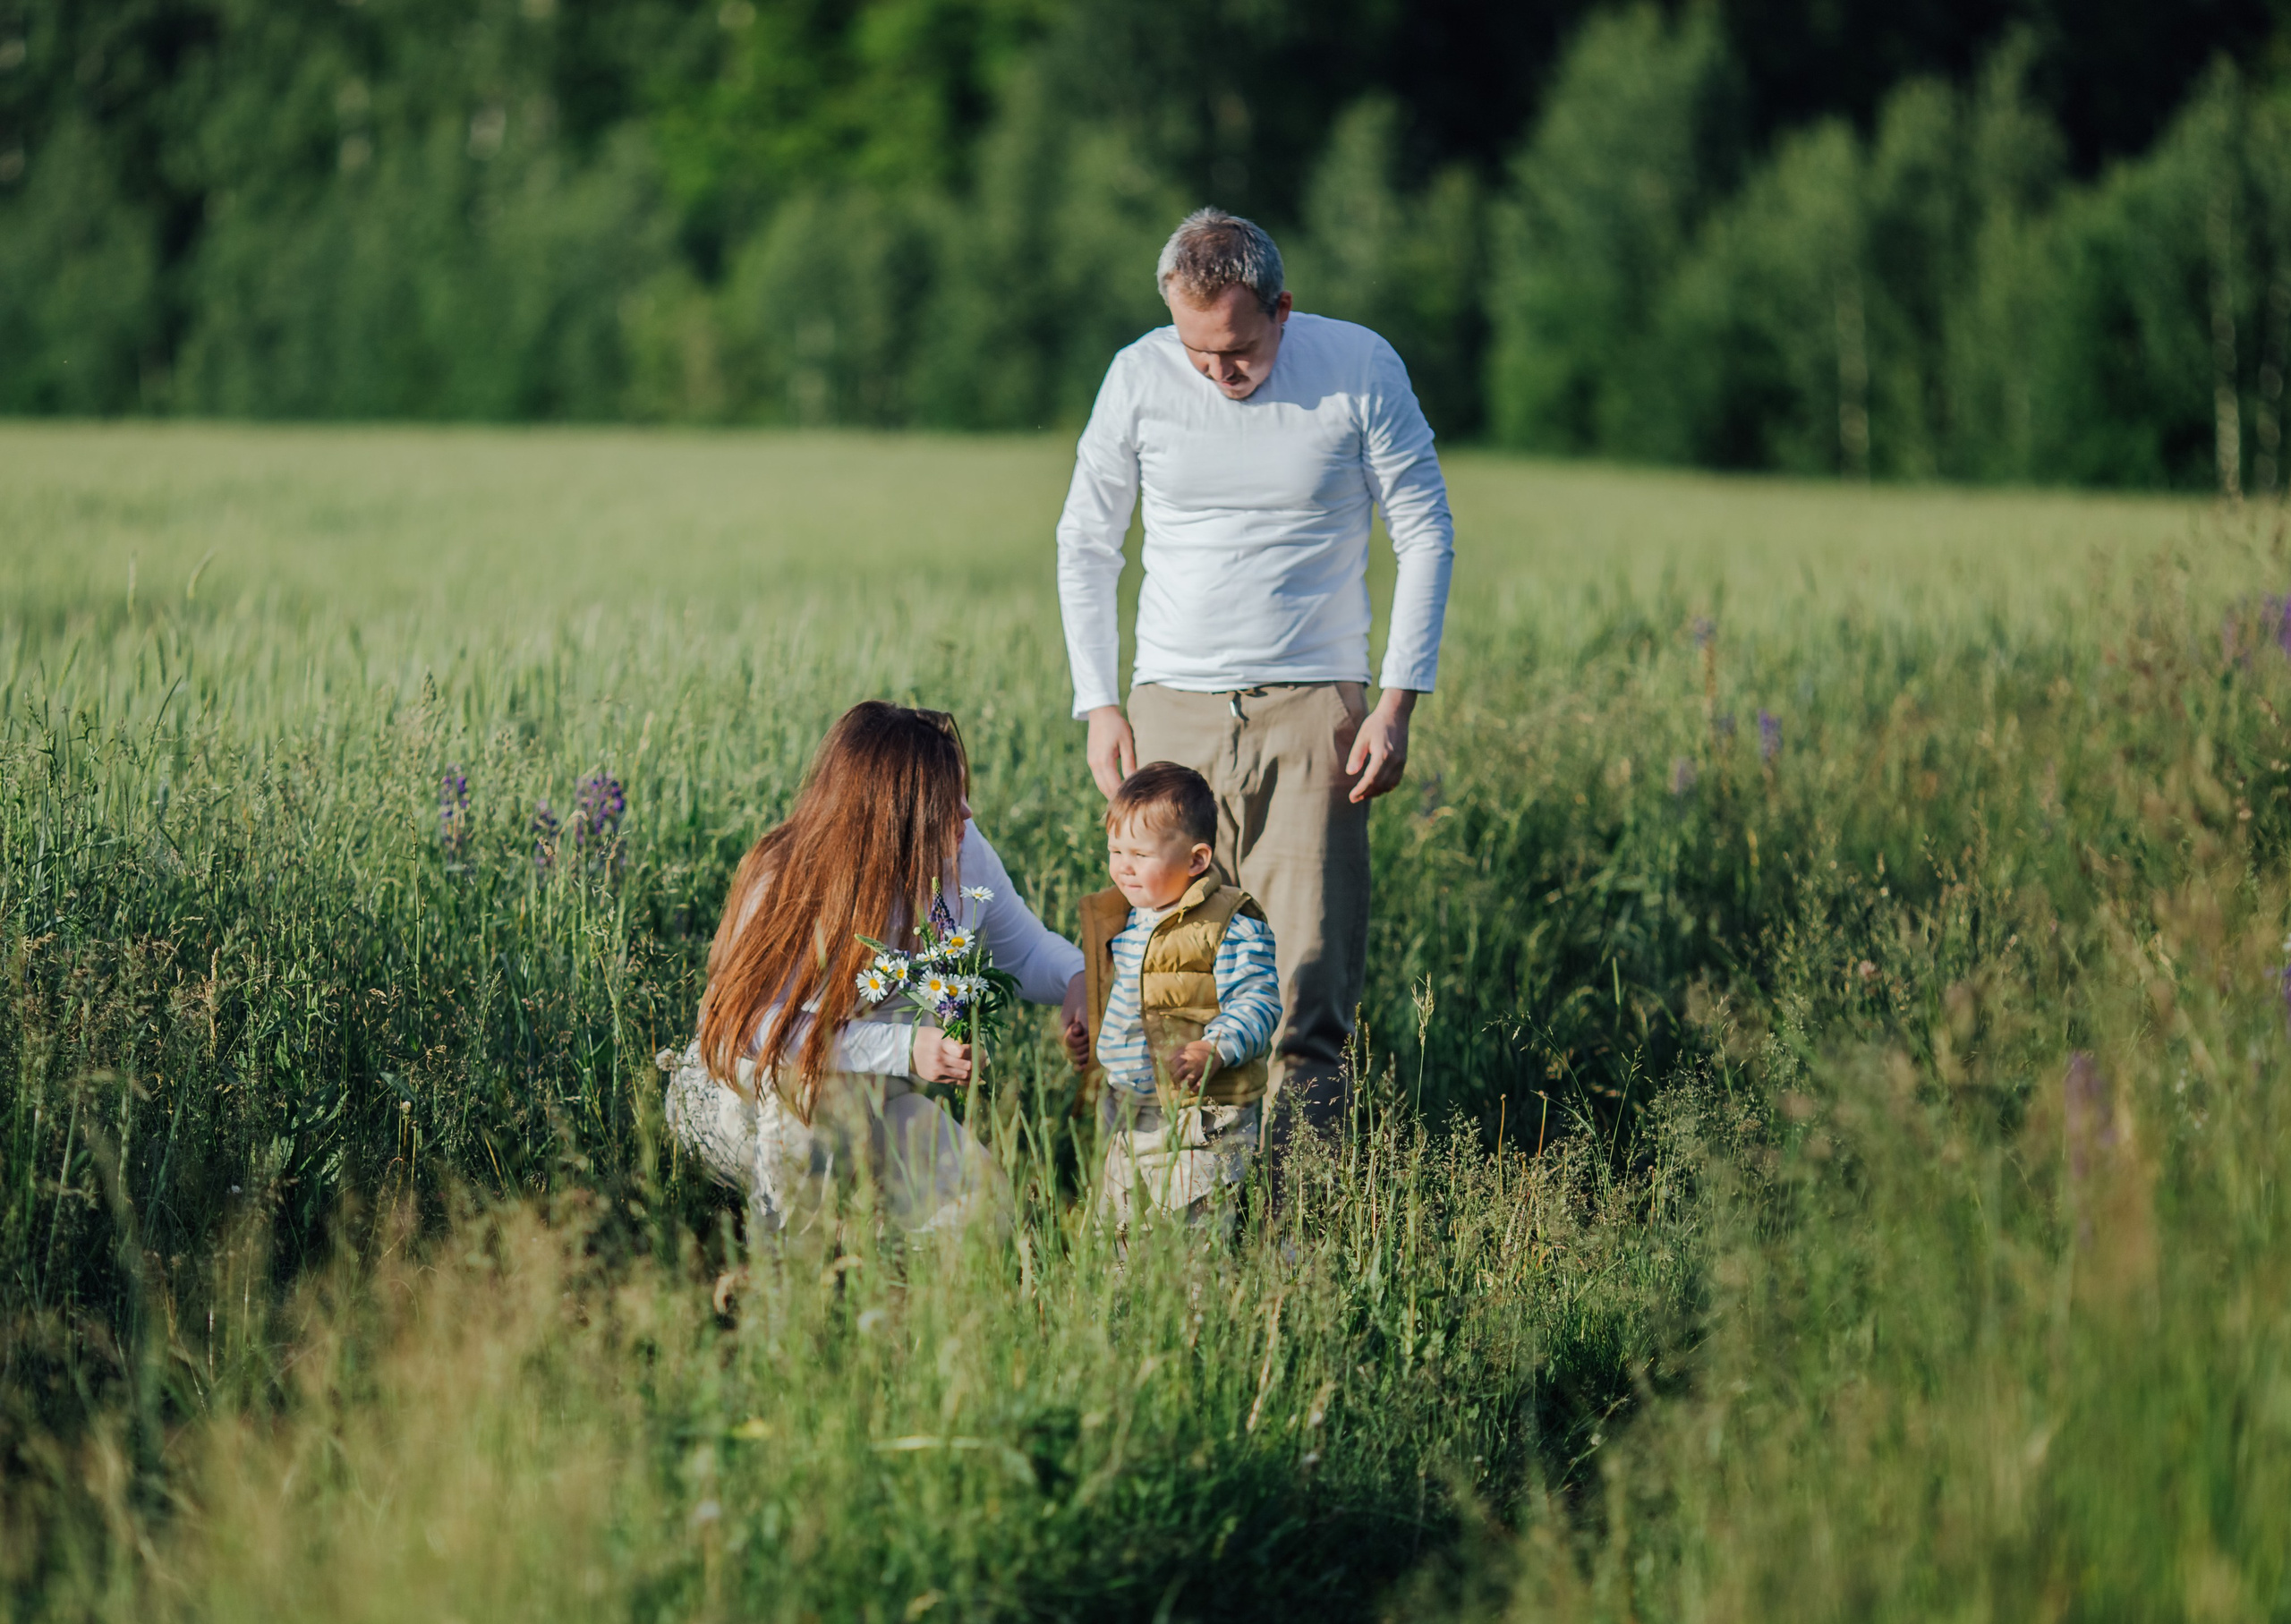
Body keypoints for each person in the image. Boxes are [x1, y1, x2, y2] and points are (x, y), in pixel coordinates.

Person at [1054, 207, 1455, 1159]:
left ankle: (1291, 1238)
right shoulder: (1138, 377)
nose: (1216, 373)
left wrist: (1396, 702)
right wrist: (1100, 701)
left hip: (1314, 714)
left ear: (1283, 307)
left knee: (1304, 995)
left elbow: (1426, 531)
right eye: (1196, 352)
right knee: (1162, 979)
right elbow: (1085, 541)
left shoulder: (1359, 368)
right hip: (1168, 714)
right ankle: (1155, 1219)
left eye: (1235, 350)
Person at [661, 701, 1086, 1236]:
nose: (967, 814)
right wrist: (905, 1049)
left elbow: (1023, 951)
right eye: (944, 801)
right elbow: (743, 1026)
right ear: (890, 815)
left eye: (960, 793)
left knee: (984, 1211)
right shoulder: (789, 877)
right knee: (814, 1118)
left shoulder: (961, 850)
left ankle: (883, 1281)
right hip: (755, 1105)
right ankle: (791, 1286)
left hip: (875, 1102)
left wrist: (1077, 977)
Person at [1063, 762, 1282, 1231]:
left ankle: (1198, 1304)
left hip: (1199, 1113)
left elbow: (1258, 1002)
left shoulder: (1228, 925)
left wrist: (1217, 1047)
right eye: (1115, 850)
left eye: (1139, 854)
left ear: (1196, 860)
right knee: (1120, 1231)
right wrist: (1088, 1040)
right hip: (1127, 1111)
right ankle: (1125, 1303)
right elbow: (1117, 1003)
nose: (1123, 865)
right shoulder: (1121, 920)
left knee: (1189, 1236)